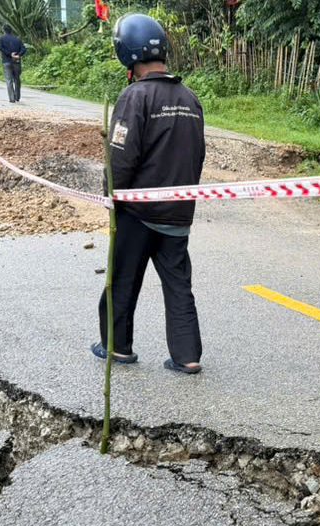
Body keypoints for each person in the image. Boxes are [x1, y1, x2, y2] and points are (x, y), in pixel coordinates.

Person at [91, 13, 206, 375]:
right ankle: (188, 357)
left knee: (123, 280)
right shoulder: (190, 97)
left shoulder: (135, 96)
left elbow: (122, 157)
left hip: (138, 213)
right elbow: (197, 154)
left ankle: (117, 347)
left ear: (126, 52)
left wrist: (111, 194)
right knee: (178, 286)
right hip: (177, 213)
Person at [0, 24, 25, 103]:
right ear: (11, 30)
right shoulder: (17, 39)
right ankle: (17, 97)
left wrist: (10, 54)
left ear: (4, 30)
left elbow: (0, 48)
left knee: (9, 80)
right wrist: (18, 55)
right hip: (16, 62)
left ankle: (12, 98)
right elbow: (23, 49)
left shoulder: (1, 38)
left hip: (6, 61)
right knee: (17, 79)